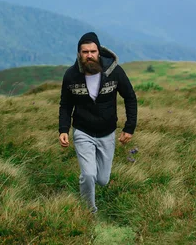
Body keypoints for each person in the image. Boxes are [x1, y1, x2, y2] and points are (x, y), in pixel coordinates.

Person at [58, 32, 138, 214]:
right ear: (79, 54)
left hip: (107, 132)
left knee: (102, 179)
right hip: (82, 131)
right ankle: (89, 212)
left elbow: (130, 98)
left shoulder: (114, 72)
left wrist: (129, 127)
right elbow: (65, 105)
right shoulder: (71, 75)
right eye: (85, 52)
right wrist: (63, 129)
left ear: (99, 52)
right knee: (88, 175)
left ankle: (91, 177)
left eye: (93, 51)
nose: (89, 55)